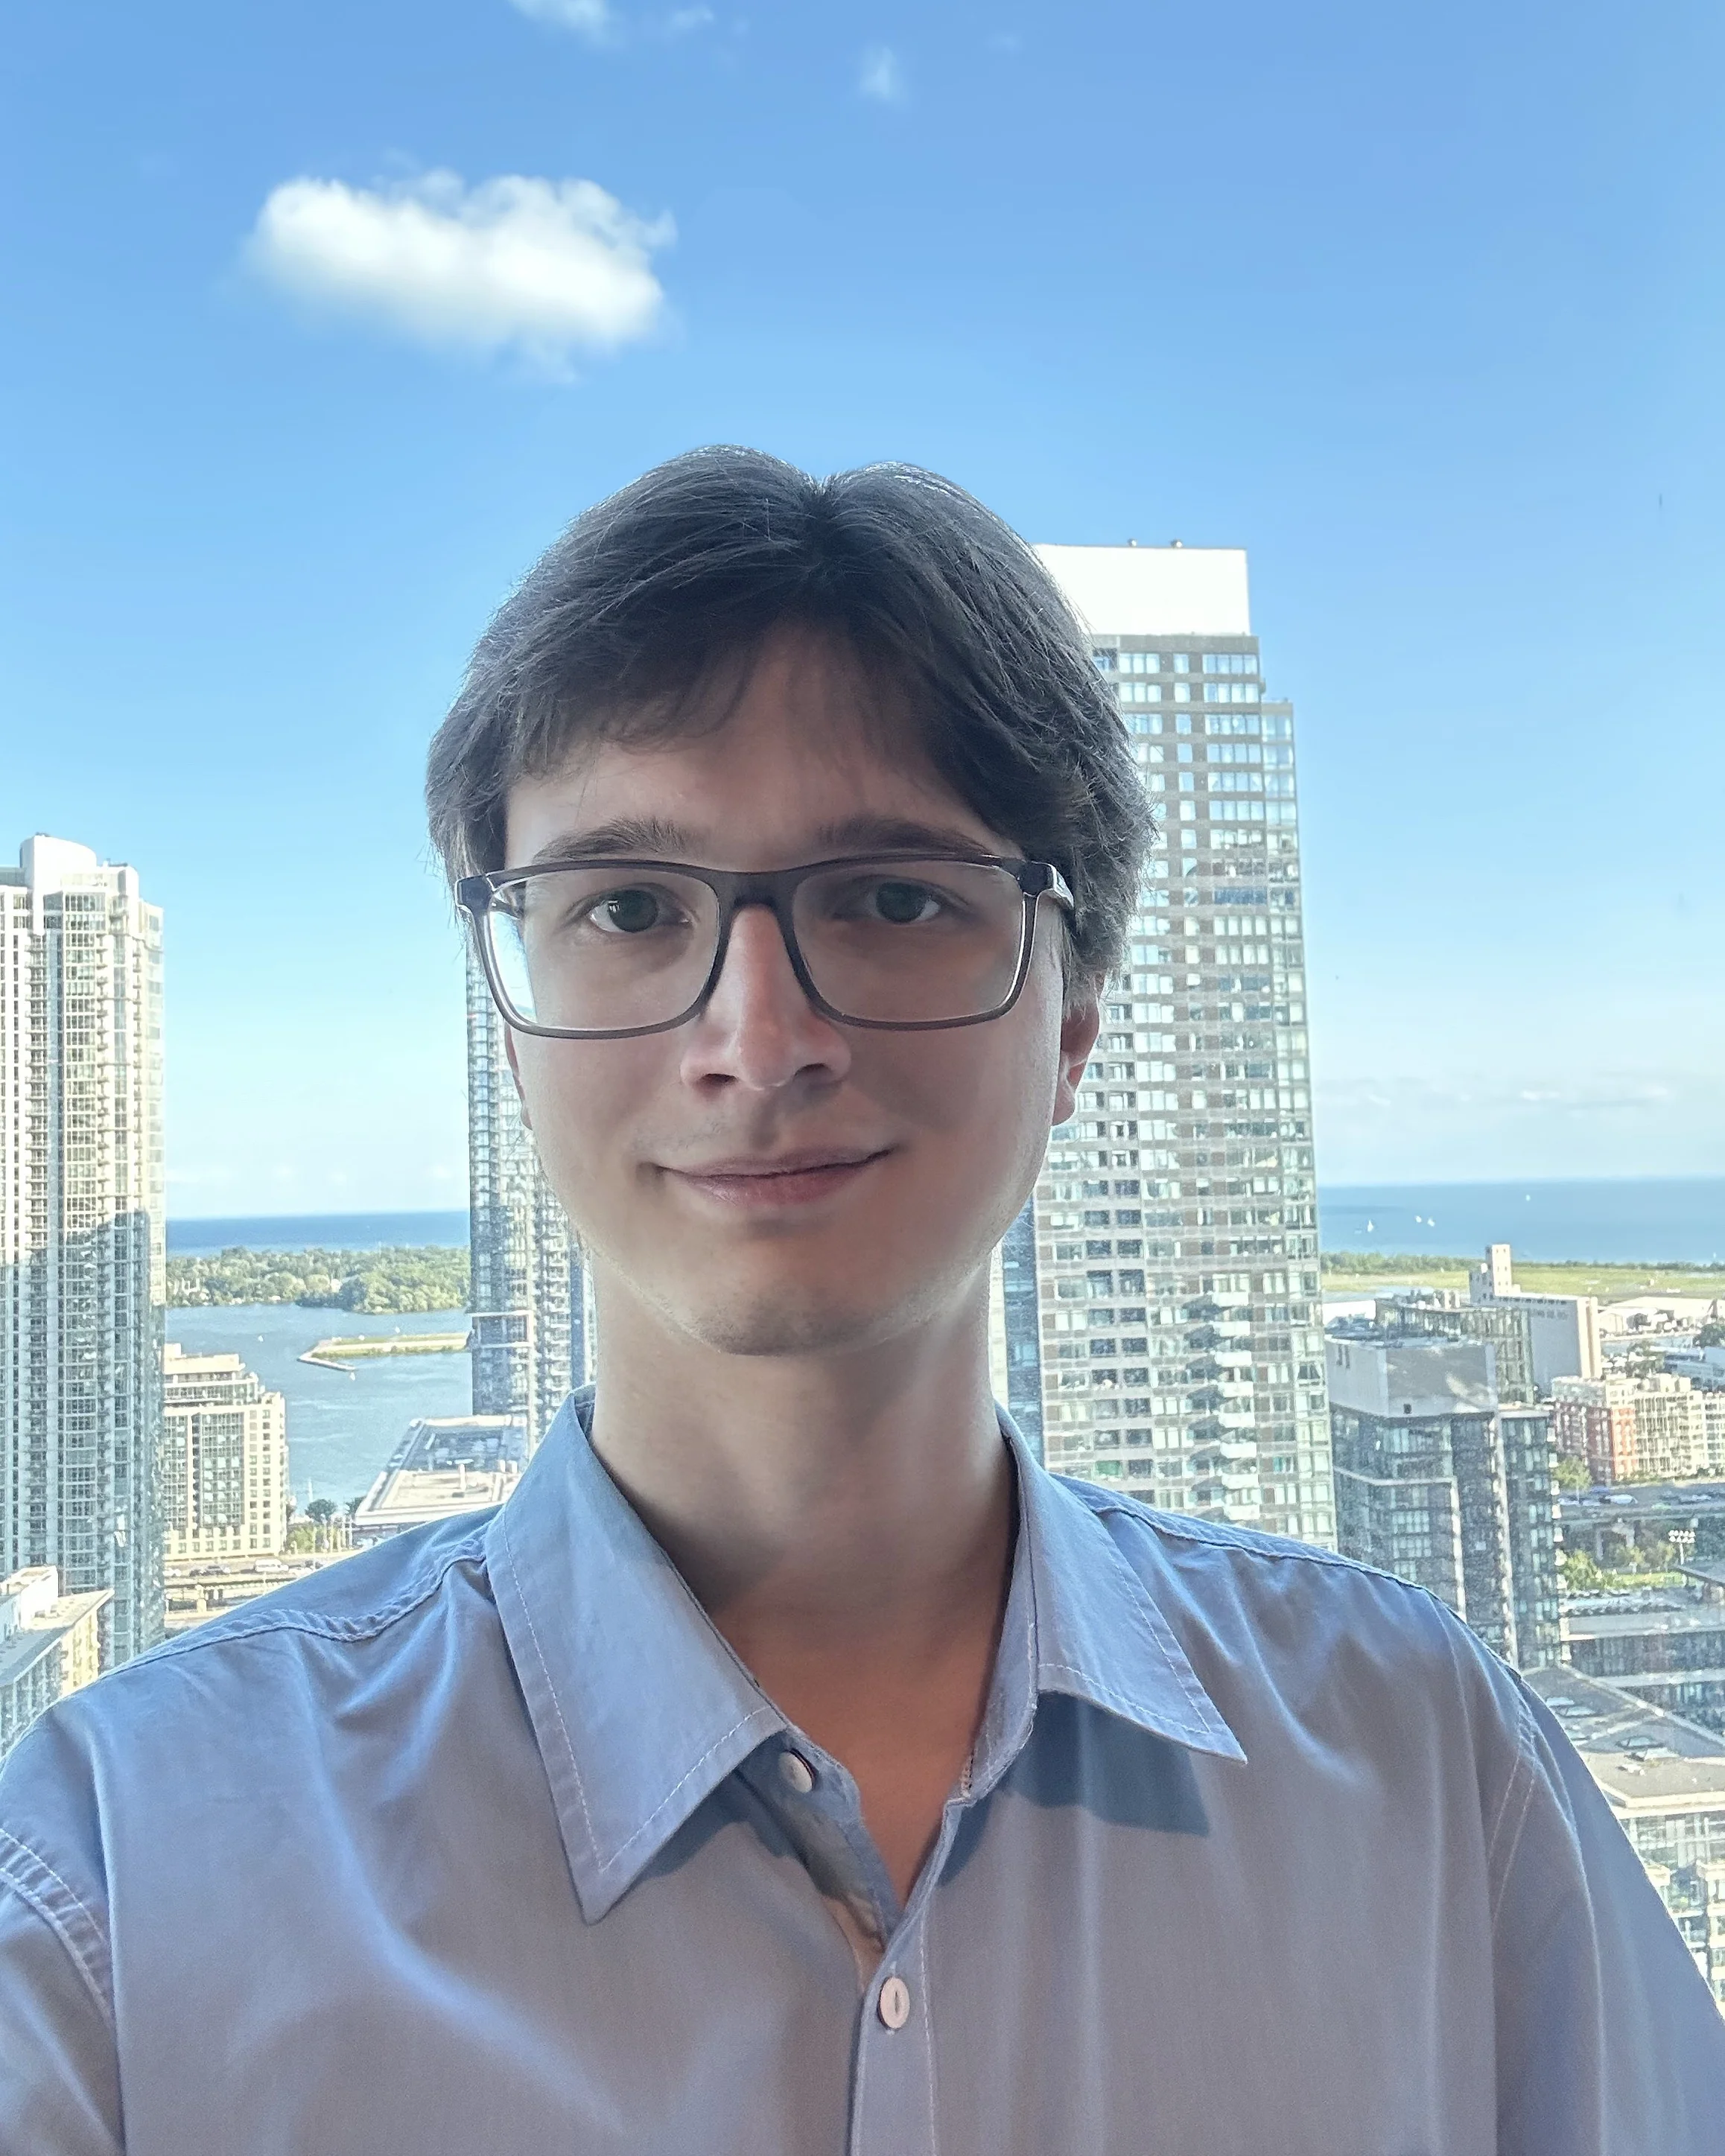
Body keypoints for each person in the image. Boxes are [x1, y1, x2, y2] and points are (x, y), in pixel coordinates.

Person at [1, 448, 1721, 2155]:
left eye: (894, 896)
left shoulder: (1424, 1770)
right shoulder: (117, 1885)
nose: (758, 1036)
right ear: (512, 1030)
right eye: (625, 907)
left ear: (1074, 1020)